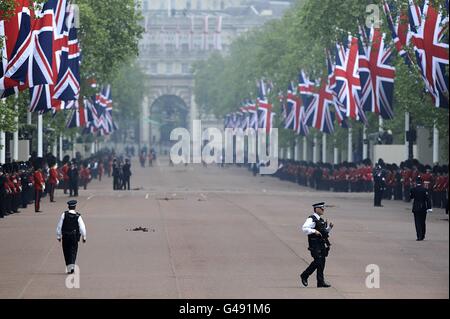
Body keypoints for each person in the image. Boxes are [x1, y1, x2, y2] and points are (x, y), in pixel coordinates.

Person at [300, 202, 334, 288]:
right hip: (315, 244)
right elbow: (304, 228)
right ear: (316, 209)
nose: (323, 210)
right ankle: (305, 275)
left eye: (323, 208)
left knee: (322, 262)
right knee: (318, 261)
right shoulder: (312, 219)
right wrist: (314, 231)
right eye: (321, 208)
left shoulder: (321, 220)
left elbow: (324, 232)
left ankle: (320, 282)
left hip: (322, 243)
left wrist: (329, 228)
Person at [56, 200, 87, 274]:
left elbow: (59, 226)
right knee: (73, 251)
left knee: (66, 251)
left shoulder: (64, 214)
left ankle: (68, 266)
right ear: (75, 207)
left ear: (68, 207)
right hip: (74, 236)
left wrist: (58, 236)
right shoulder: (78, 216)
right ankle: (72, 266)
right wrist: (84, 236)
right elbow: (82, 227)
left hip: (65, 236)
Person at [410, 177, 432, 241]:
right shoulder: (425, 189)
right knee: (423, 222)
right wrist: (429, 207)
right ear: (421, 182)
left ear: (416, 182)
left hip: (416, 207)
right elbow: (428, 199)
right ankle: (422, 235)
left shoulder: (413, 189)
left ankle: (419, 236)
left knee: (417, 222)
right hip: (423, 207)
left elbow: (411, 197)